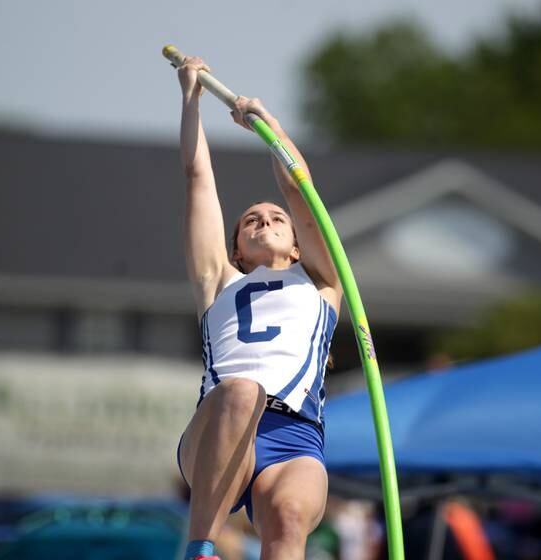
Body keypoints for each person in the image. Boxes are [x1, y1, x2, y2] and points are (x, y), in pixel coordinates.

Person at [173, 55, 342, 560]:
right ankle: (200, 548)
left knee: (289, 519)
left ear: (296, 246)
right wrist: (190, 99)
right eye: (250, 219)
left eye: (274, 218)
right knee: (245, 390)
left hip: (295, 437)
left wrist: (267, 124)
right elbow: (198, 179)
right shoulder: (217, 281)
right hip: (218, 433)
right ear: (236, 252)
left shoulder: (324, 284)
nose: (263, 219)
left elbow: (298, 188)